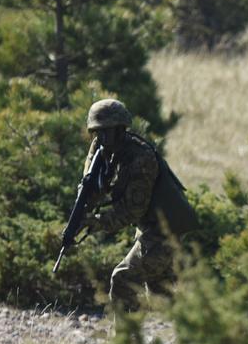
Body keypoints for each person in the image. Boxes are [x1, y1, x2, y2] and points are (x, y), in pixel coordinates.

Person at [82, 98, 198, 310]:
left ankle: (126, 342)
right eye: (98, 132)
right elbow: (90, 181)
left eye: (107, 132)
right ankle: (209, 335)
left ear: (120, 130)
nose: (101, 138)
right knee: (164, 296)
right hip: (151, 228)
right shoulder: (104, 149)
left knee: (123, 279)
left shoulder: (141, 157)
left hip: (165, 231)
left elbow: (133, 210)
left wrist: (97, 222)